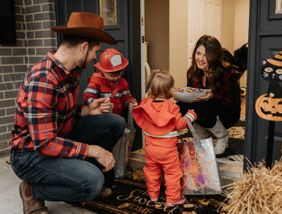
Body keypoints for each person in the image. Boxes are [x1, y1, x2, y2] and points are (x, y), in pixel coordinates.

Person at [10, 12, 126, 214]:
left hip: (59, 135)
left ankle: (78, 175)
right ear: (84, 47)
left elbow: (60, 114)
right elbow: (45, 143)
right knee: (92, 182)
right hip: (30, 155)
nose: (93, 58)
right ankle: (33, 190)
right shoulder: (43, 80)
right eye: (95, 52)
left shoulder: (70, 71)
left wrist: (88, 110)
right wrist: (93, 150)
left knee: (115, 122)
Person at [132, 71, 197, 207]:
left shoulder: (146, 104)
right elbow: (179, 125)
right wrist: (190, 116)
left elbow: (145, 100)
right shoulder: (172, 106)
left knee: (151, 170)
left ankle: (153, 195)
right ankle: (173, 198)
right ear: (169, 90)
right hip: (168, 150)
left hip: (150, 149)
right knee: (172, 173)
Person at [177, 35, 241, 155]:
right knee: (180, 106)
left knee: (201, 106)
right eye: (198, 53)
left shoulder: (227, 73)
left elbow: (232, 102)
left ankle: (222, 137)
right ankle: (203, 135)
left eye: (206, 55)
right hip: (205, 110)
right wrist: (179, 94)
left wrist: (213, 96)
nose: (200, 58)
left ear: (214, 56)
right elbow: (193, 95)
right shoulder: (192, 72)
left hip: (227, 113)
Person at [83, 48, 138, 116]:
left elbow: (126, 97)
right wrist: (98, 104)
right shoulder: (96, 81)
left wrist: (130, 102)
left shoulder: (123, 82)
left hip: (118, 117)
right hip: (100, 117)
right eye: (112, 75)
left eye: (119, 74)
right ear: (103, 71)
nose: (116, 77)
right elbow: (87, 96)